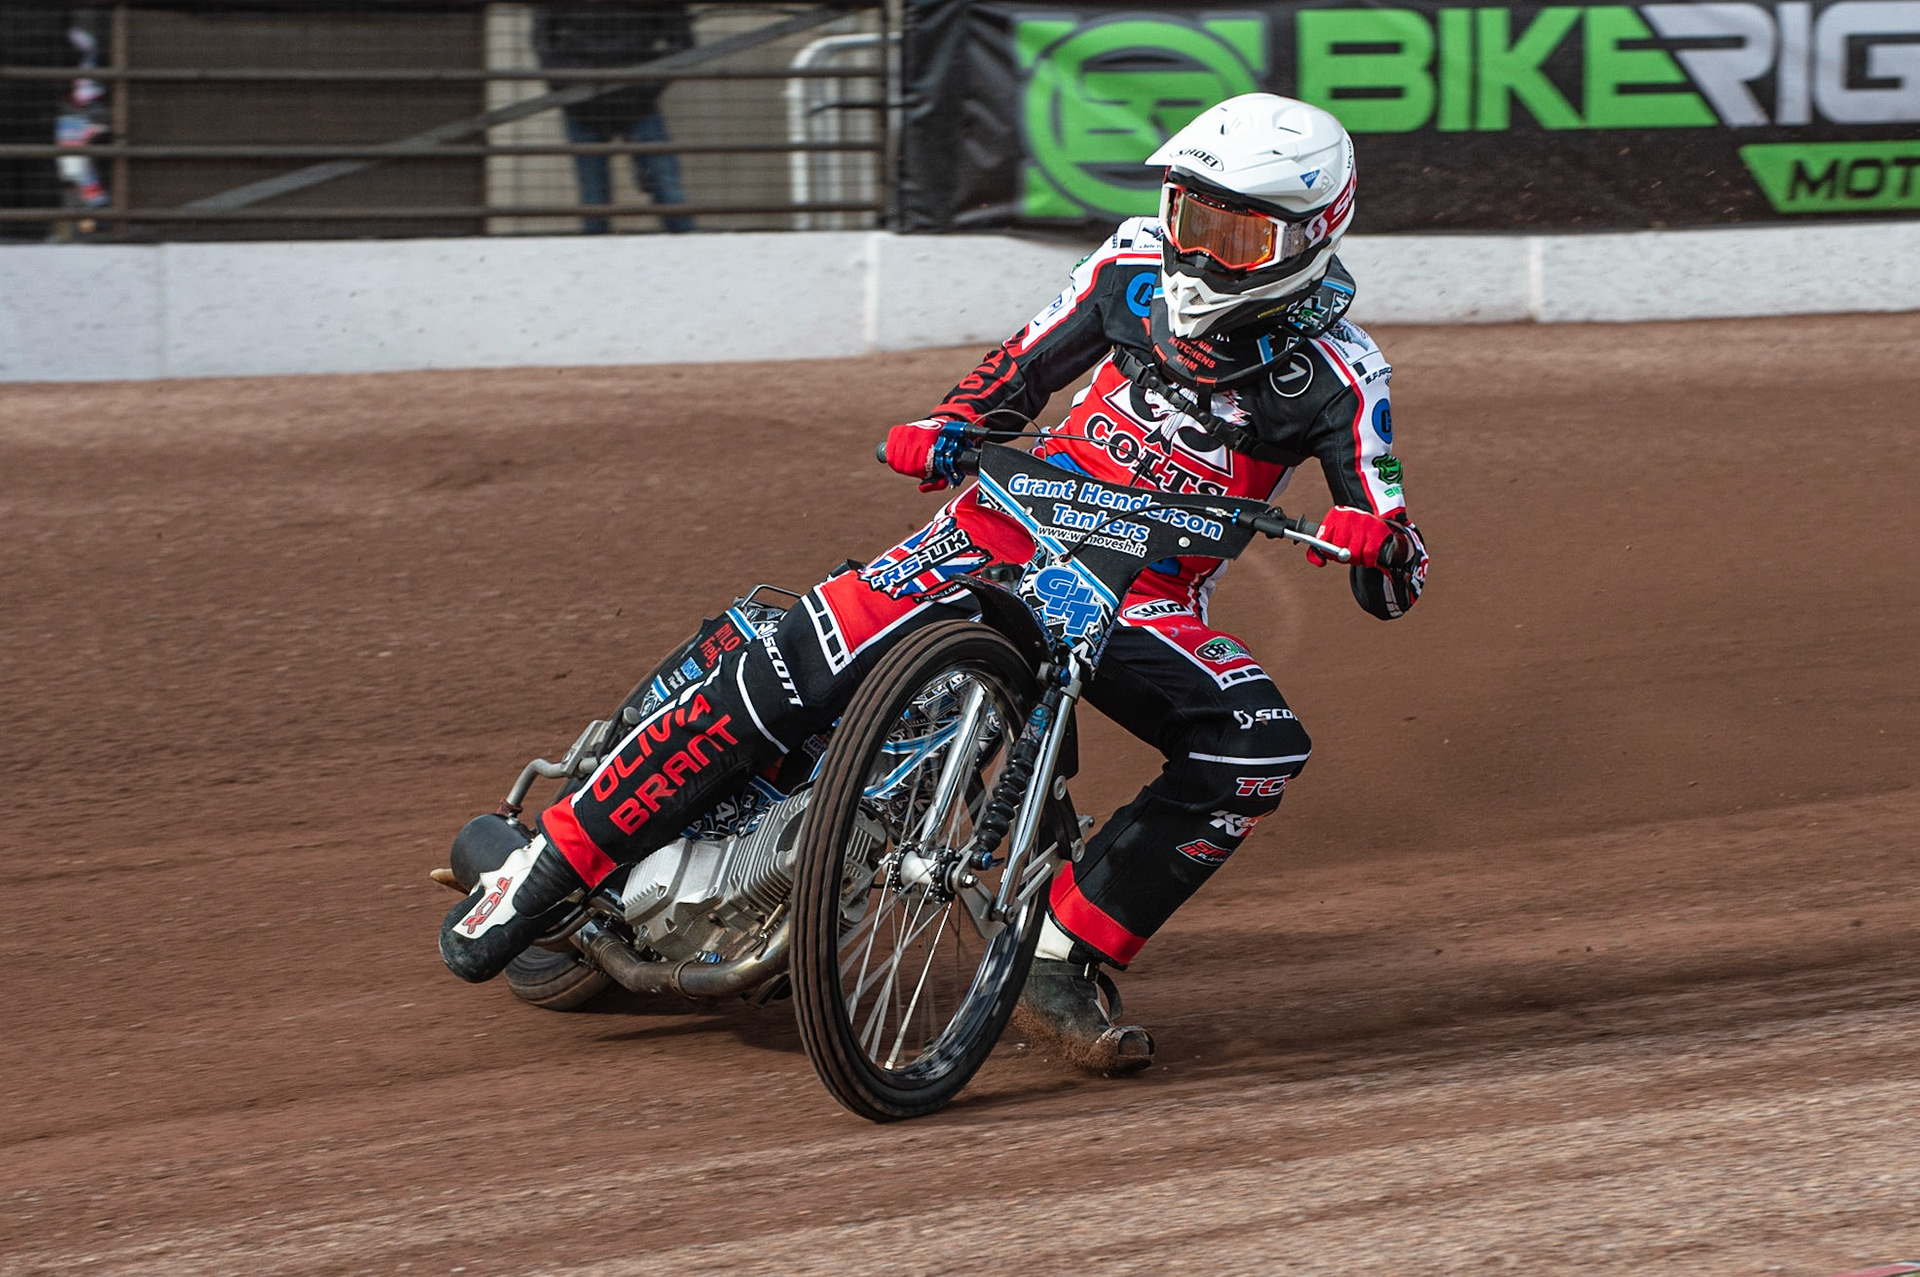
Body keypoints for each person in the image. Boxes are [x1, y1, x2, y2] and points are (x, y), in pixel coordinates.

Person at [441, 94, 1429, 1074]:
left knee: (1257, 745)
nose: (1203, 254)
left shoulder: (1344, 374)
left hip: (1139, 592)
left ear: (1311, 236)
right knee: (804, 655)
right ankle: (548, 869)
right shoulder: (1130, 261)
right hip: (999, 522)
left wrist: (1375, 546)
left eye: (1238, 235)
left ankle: (1061, 951)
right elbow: (1020, 367)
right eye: (1191, 218)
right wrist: (952, 419)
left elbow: (1391, 559)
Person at [533, 2, 694, 234]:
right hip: (601, 102)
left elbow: (681, 40)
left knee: (661, 191)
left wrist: (568, 85)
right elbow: (543, 41)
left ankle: (686, 254)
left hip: (618, 101)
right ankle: (688, 255)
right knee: (605, 200)